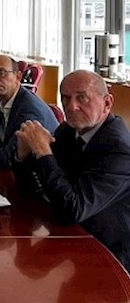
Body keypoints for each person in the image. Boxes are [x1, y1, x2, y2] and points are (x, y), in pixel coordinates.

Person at [14, 70, 130, 270]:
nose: (71, 106)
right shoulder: (68, 131)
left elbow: (73, 209)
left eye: (82, 98)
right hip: (73, 235)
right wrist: (23, 155)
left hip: (111, 255)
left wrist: (42, 151)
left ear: (107, 103)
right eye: (65, 99)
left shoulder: (119, 149)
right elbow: (33, 188)